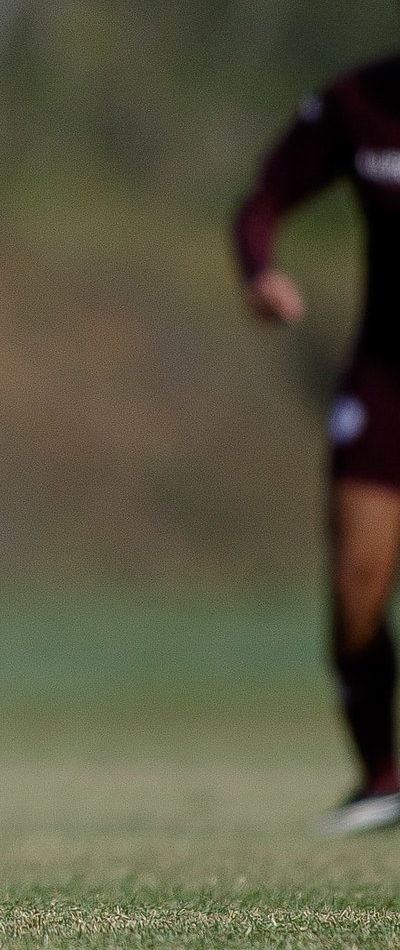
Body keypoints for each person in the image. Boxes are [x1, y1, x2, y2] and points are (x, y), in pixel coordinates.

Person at [235, 52, 400, 835]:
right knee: (355, 586)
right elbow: (263, 197)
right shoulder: (359, 103)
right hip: (385, 378)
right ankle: (382, 776)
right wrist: (259, 270)